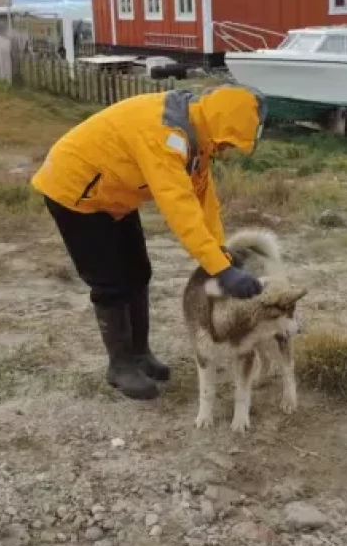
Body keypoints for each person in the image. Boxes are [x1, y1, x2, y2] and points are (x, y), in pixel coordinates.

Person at [31, 85, 267, 400]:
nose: (226, 150)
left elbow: (202, 199)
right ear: (218, 126)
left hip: (113, 195)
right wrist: (220, 270)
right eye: (227, 142)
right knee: (110, 281)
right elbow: (180, 209)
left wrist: (220, 254)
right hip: (75, 191)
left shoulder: (197, 136)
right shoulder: (164, 136)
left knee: (138, 271)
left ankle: (139, 353)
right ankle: (120, 365)